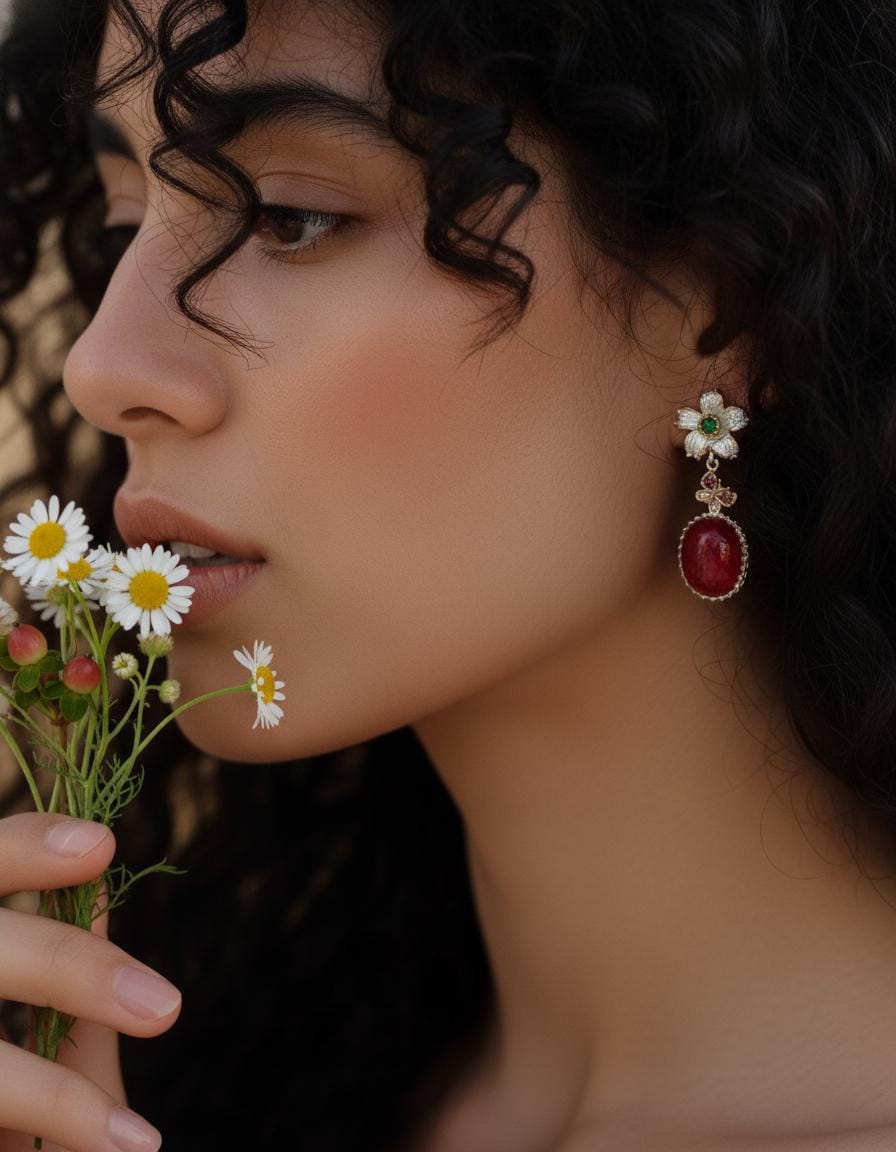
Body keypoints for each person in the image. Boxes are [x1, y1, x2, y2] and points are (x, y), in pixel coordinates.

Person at [1, 0, 896, 1149]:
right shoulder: (220, 1075)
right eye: (124, 217)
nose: (103, 365)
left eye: (290, 217)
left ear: (718, 298)